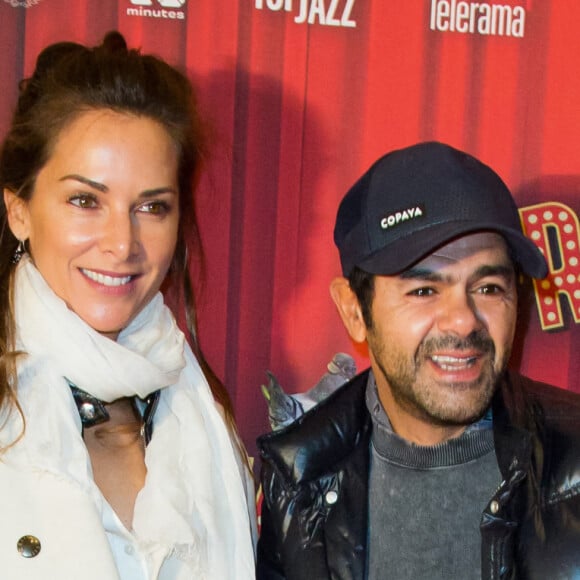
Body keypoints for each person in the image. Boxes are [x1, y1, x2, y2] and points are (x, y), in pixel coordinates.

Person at [256, 141, 580, 579]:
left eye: (488, 288)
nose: (464, 321)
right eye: (424, 292)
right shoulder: (298, 474)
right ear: (354, 311)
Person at [0, 32, 256, 579]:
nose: (122, 243)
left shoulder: (198, 408)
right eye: (85, 201)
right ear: (19, 210)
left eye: (152, 207)